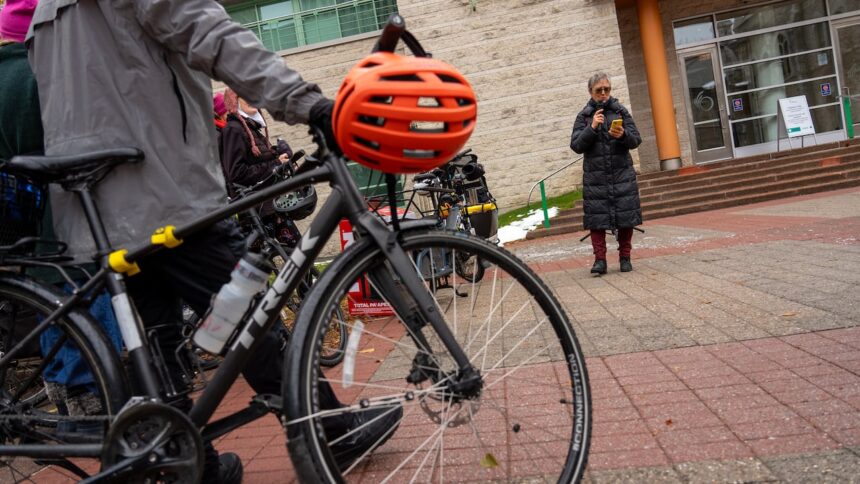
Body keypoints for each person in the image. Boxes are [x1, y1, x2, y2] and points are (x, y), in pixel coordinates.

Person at [25, 1, 398, 482]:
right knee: (250, 315)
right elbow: (209, 32)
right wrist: (307, 103)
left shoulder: (45, 12)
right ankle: (327, 429)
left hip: (101, 203)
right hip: (161, 193)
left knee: (157, 344)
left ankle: (192, 464)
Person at [570, 72, 643, 275]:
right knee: (597, 220)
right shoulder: (584, 116)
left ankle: (625, 258)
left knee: (626, 216)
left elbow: (636, 140)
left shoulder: (621, 112)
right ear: (590, 92)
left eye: (606, 89)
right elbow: (576, 145)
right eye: (599, 90)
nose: (603, 94)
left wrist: (624, 135)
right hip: (596, 178)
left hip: (622, 174)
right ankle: (600, 260)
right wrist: (592, 128)